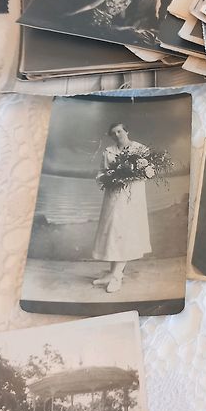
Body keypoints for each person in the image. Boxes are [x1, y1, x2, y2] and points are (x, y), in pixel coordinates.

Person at [92, 122, 152, 293]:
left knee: (125, 234)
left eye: (119, 131)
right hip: (113, 198)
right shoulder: (108, 151)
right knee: (113, 233)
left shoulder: (140, 149)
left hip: (132, 198)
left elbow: (147, 172)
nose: (117, 135)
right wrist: (108, 178)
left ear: (126, 131)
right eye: (113, 133)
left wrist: (131, 175)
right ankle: (112, 273)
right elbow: (101, 173)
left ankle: (117, 276)